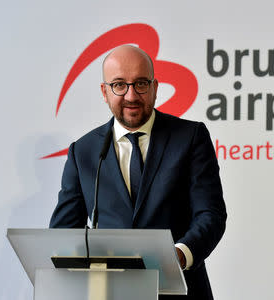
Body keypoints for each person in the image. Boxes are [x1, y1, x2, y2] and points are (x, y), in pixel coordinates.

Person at [49, 45, 227, 299]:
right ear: (104, 91)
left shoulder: (190, 137)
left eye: (141, 83)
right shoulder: (84, 151)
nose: (131, 95)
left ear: (155, 87)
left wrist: (178, 255)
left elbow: (211, 214)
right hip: (107, 292)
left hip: (180, 290)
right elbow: (64, 234)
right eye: (119, 85)